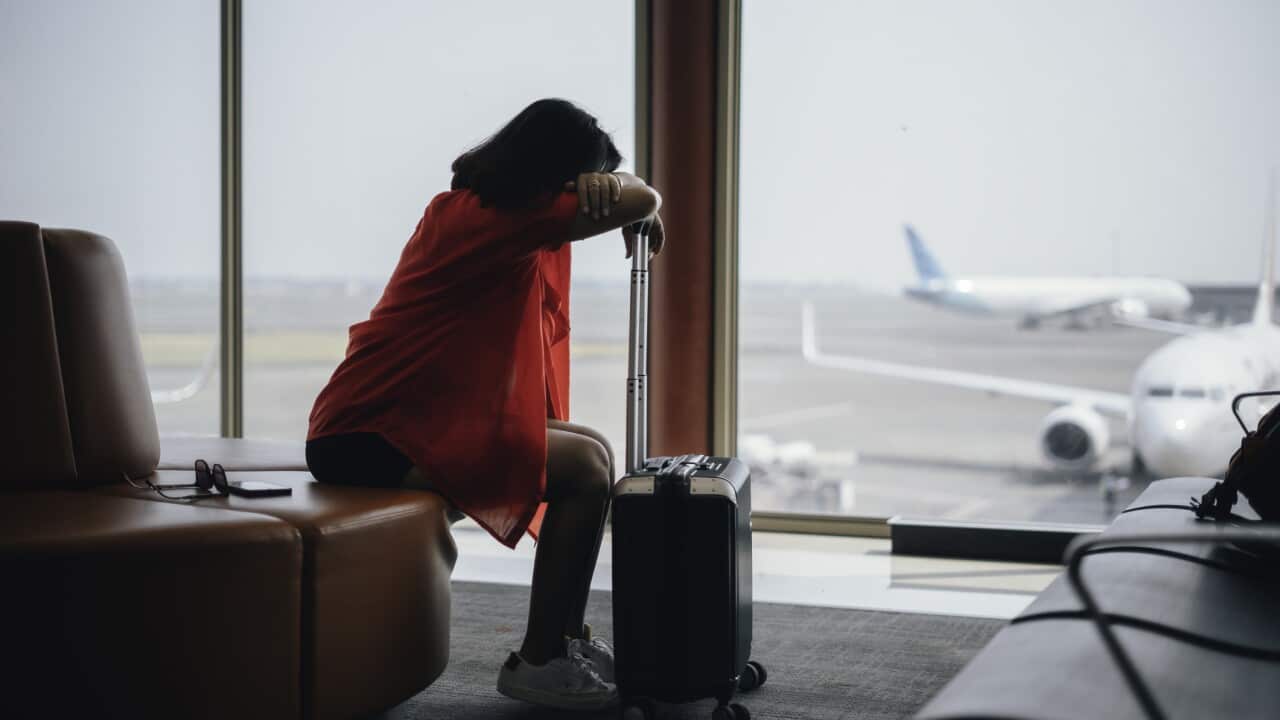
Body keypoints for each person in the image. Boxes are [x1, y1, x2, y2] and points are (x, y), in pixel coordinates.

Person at [304, 98, 664, 711]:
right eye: (586, 183)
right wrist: (633, 198)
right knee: (584, 471)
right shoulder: (494, 218)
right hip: (366, 434)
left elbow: (630, 199)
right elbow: (643, 197)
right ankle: (540, 658)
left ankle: (565, 639)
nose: (589, 199)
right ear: (558, 174)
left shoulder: (488, 210)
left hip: (400, 418)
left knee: (593, 448)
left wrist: (618, 192)